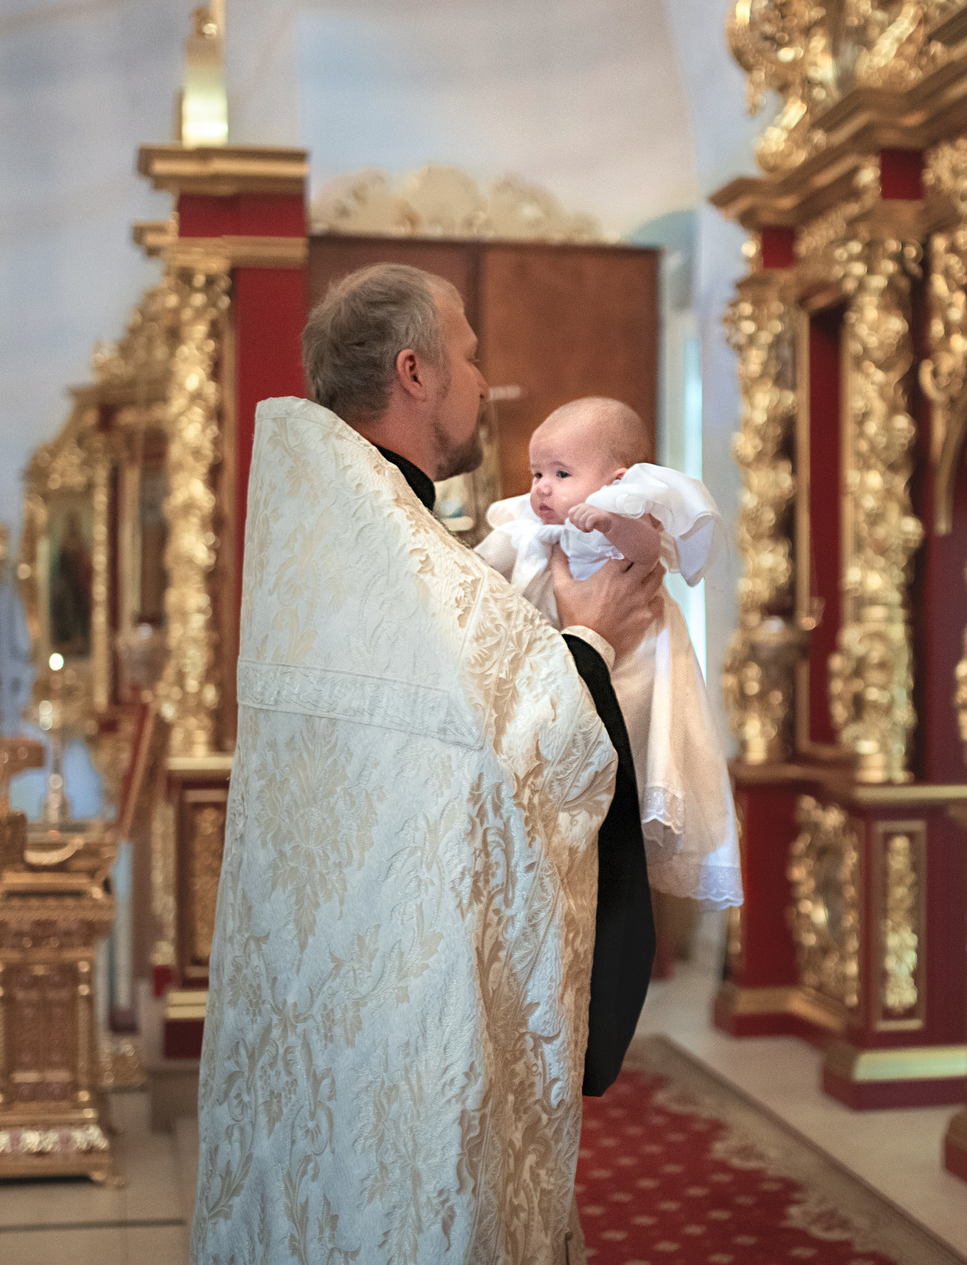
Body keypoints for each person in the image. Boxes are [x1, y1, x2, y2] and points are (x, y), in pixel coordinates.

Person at [191, 263, 657, 1264]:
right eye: (471, 356)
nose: (485, 382)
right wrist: (592, 638)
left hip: (327, 983)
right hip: (399, 1006)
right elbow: (531, 743)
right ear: (415, 371)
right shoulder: (392, 554)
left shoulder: (327, 529)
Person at [476, 396, 743, 908]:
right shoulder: (534, 528)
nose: (542, 487)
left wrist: (610, 521)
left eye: (561, 473)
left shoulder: (622, 520)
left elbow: (646, 551)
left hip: (632, 659)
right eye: (537, 473)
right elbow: (487, 565)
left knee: (629, 733)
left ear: (618, 482)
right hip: (564, 663)